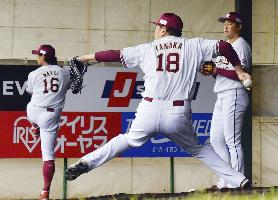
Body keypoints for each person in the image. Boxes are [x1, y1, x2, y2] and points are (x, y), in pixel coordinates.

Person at [65, 13, 252, 189]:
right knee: (199, 149)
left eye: (157, 27)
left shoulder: (146, 49)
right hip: (178, 112)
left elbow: (114, 54)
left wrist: (85, 58)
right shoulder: (194, 45)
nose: (155, 30)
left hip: (148, 109)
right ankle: (239, 179)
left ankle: (86, 162)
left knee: (126, 140)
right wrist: (239, 70)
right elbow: (225, 47)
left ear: (163, 30)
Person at [201, 12, 251, 189]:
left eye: (230, 23)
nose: (226, 25)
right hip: (222, 94)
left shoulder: (241, 45)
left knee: (233, 141)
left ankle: (237, 183)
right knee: (216, 140)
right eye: (225, 22)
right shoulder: (224, 47)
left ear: (239, 26)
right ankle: (225, 181)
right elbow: (223, 74)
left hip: (235, 94)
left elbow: (242, 75)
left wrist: (217, 69)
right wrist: (212, 72)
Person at [26, 45, 71, 200]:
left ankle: (34, 126)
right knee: (48, 156)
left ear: (43, 57)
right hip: (50, 116)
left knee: (30, 106)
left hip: (33, 111)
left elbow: (31, 91)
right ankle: (45, 192)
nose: (36, 57)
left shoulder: (34, 73)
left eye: (38, 55)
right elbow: (69, 87)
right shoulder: (65, 73)